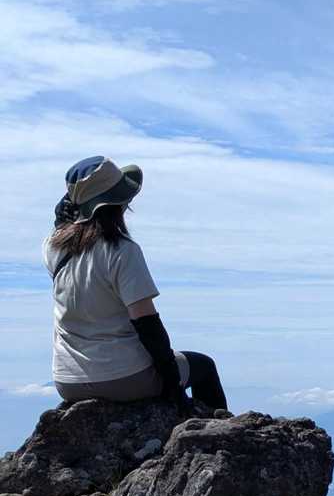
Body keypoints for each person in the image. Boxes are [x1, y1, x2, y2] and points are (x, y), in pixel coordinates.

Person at [45, 156, 228, 411]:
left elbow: (63, 228)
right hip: (125, 378)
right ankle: (214, 429)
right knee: (204, 366)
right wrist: (173, 384)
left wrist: (71, 207)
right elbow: (147, 323)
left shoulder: (53, 248)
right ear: (119, 203)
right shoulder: (122, 251)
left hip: (68, 382)